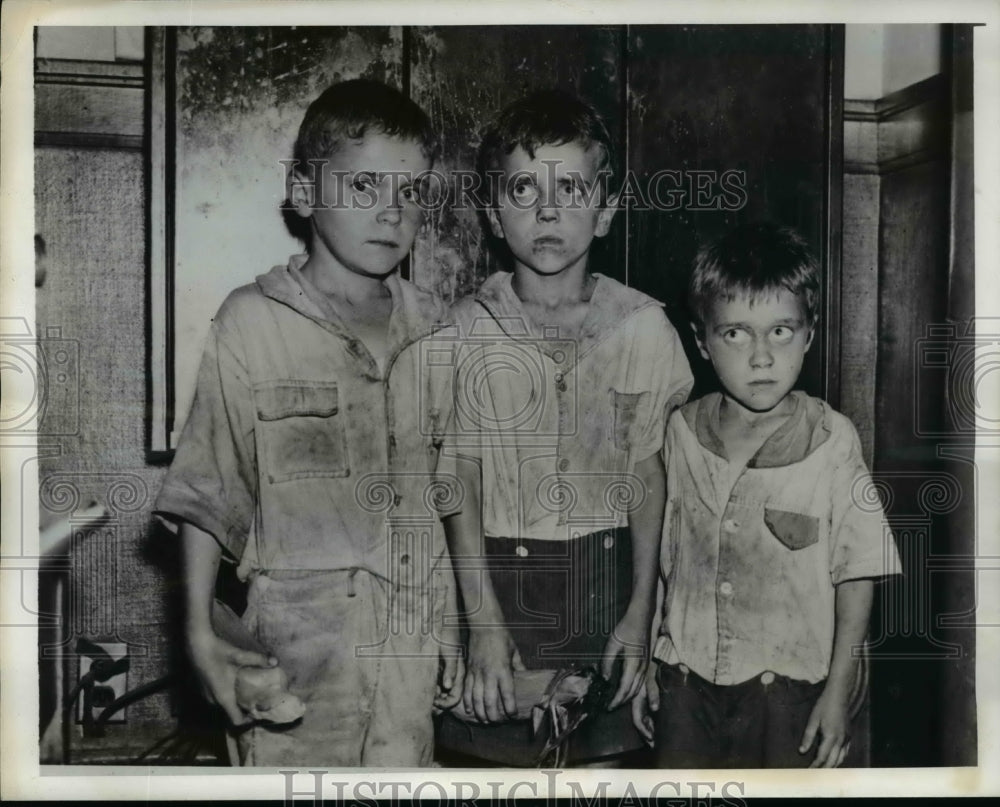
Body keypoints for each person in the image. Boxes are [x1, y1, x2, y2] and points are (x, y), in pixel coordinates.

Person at [154, 79, 461, 767]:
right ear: (302, 190)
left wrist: (463, 628)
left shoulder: (438, 328)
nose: (391, 212)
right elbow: (208, 492)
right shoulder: (250, 322)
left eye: (410, 192)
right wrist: (200, 631)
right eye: (364, 188)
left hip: (411, 653)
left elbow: (454, 493)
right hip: (292, 663)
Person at [435, 90, 693, 765]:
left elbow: (647, 474)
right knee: (493, 764)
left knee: (606, 764)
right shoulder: (465, 330)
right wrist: (481, 622)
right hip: (498, 593)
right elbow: (455, 476)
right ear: (493, 213)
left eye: (571, 187)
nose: (548, 210)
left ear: (605, 211)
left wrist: (642, 612)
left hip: (609, 594)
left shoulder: (642, 328)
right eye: (524, 188)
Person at [638, 221, 902, 768]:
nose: (761, 357)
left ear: (808, 333)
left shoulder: (832, 440)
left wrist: (839, 690)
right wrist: (647, 664)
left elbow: (859, 573)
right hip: (686, 688)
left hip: (790, 696)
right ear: (701, 341)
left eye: (780, 332)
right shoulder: (681, 434)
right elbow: (668, 566)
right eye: (735, 333)